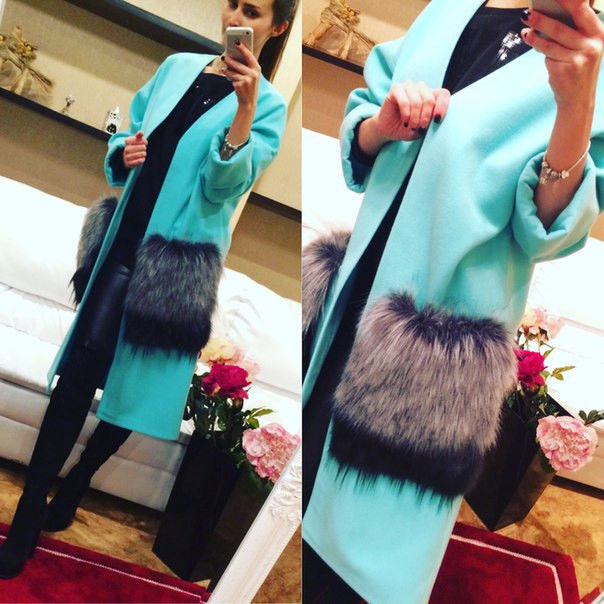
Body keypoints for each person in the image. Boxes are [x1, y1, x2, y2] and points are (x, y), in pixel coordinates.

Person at [302, 0, 603, 601]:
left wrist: (574, 107)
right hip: (351, 300)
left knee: (365, 569)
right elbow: (363, 123)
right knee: (304, 508)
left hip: (430, 353)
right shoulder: (448, 9)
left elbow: (549, 232)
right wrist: (381, 126)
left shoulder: (591, 64)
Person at [0, 0, 296, 580]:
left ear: (277, 26)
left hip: (177, 265)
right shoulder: (177, 66)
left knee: (133, 393)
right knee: (77, 376)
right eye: (233, 3)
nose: (236, 16)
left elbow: (222, 187)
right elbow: (128, 137)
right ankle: (29, 515)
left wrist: (244, 109)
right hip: (124, 244)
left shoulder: (267, 106)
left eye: (254, 10)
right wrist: (124, 150)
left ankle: (77, 482)